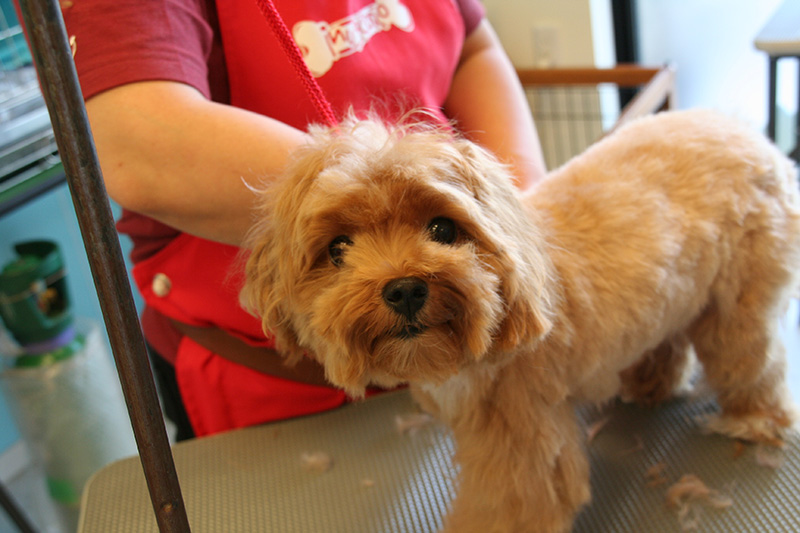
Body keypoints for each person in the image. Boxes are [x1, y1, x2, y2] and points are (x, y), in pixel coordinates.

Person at [61, 0, 547, 440]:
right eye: (340, 248)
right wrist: (410, 195)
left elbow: (472, 44)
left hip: (474, 344)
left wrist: (515, 214)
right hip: (271, 384)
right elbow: (138, 144)